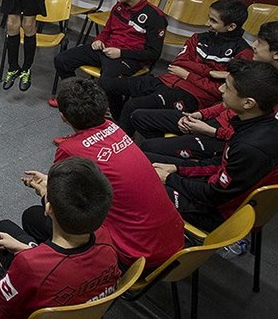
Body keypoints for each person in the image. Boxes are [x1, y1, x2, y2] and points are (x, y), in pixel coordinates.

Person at [24, 79, 184, 269]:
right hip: (175, 241)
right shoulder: (115, 128)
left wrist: (45, 192)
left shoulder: (70, 149)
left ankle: (66, 270)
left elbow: (65, 206)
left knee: (33, 217)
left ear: (63, 117)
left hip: (138, 257)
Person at [149, 60, 278, 232]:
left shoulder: (251, 146)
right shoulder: (266, 126)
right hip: (225, 192)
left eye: (227, 87)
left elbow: (214, 195)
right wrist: (177, 169)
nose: (221, 89)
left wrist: (169, 179)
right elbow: (222, 164)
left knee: (144, 186)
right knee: (146, 160)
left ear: (248, 103)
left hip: (219, 213)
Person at [134, 21, 278, 159]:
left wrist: (211, 132)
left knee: (148, 148)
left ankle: (183, 160)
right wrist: (201, 115)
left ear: (277, 54)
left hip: (226, 141)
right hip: (215, 124)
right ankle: (173, 151)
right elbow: (228, 104)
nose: (253, 45)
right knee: (139, 116)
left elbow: (265, 140)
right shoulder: (262, 72)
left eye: (260, 42)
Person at [0, 157, 119, 319]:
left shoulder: (29, 264)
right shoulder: (105, 237)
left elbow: (2, 300)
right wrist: (23, 248)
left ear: (48, 208)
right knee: (5, 225)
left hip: (10, 310)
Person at [100, 0, 252, 135]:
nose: (207, 24)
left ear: (231, 26)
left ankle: (120, 142)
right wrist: (211, 73)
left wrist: (188, 75)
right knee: (107, 84)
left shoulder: (243, 53)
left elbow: (220, 90)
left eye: (213, 21)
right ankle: (120, 122)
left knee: (134, 106)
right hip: (168, 79)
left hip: (192, 96)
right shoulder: (199, 37)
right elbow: (178, 63)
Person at [49, 0, 166, 107]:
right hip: (106, 49)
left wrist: (121, 53)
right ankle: (78, 98)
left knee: (107, 84)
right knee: (62, 60)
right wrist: (99, 40)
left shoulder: (155, 17)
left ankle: (111, 115)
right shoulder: (118, 7)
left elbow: (153, 54)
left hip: (128, 58)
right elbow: (107, 30)